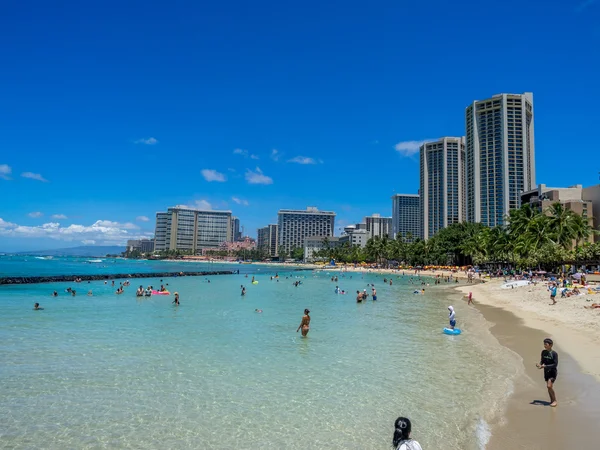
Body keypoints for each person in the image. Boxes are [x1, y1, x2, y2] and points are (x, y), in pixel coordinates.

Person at [536, 338, 558, 407]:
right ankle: (551, 400)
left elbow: (555, 364)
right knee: (549, 387)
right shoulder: (543, 352)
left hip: (552, 372)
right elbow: (542, 361)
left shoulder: (554, 354)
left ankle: (554, 400)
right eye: (544, 344)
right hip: (546, 372)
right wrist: (540, 365)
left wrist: (545, 366)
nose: (544, 345)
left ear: (550, 345)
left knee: (549, 386)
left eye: (546, 344)